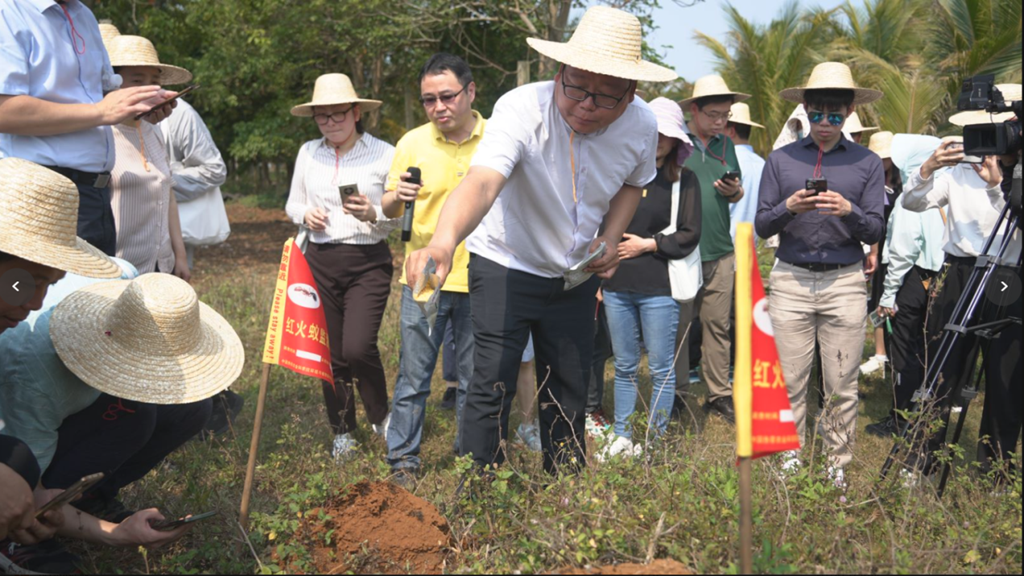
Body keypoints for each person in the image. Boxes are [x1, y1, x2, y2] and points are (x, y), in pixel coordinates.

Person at [405, 6, 676, 476]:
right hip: (506, 261)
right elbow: (483, 182)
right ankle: (479, 486)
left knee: (568, 386)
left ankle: (564, 493)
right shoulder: (522, 108)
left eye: (606, 96)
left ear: (631, 94)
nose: (586, 105)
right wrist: (444, 243)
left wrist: (610, 238)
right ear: (558, 72)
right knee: (490, 382)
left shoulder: (642, 125)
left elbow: (636, 181)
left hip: (573, 274)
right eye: (575, 87)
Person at [0, 158, 188, 573]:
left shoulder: (117, 279)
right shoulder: (25, 363)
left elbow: (28, 495)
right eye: (23, 283)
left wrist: (116, 533)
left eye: (49, 285)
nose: (33, 302)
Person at [755, 62, 885, 488]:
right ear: (804, 111)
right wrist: (788, 207)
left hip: (845, 280)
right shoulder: (780, 160)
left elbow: (876, 229)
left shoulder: (867, 163)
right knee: (790, 379)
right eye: (817, 114)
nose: (825, 123)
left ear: (849, 112)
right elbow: (762, 224)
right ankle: (789, 459)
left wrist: (849, 211)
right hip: (791, 278)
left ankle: (837, 467)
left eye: (834, 114)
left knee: (842, 381)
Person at [899, 85, 1022, 477]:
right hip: (961, 272)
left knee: (1005, 380)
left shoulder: (1017, 173)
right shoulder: (955, 171)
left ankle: (996, 471)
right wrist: (928, 168)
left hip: (1009, 276)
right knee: (943, 369)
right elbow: (912, 202)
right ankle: (924, 459)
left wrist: (996, 184)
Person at [0, 0, 177, 256]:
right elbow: (4, 110)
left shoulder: (84, 16)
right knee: (36, 291)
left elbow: (99, 98)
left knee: (91, 293)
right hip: (37, 195)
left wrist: (137, 105)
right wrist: (101, 111)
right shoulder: (8, 11)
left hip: (95, 192)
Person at [381, 53, 484, 486]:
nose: (438, 107)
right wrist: (397, 195)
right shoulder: (412, 142)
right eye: (428, 100)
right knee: (414, 374)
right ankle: (402, 461)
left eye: (447, 96)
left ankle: (469, 459)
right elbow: (386, 206)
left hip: (483, 273)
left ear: (470, 91)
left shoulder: (496, 137)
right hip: (425, 274)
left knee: (475, 379)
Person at [285, 73, 396, 460]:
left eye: (338, 115)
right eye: (322, 117)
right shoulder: (308, 152)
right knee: (331, 354)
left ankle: (382, 418)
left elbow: (399, 219)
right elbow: (292, 204)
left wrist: (374, 212)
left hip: (368, 260)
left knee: (358, 346)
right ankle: (342, 431)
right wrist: (306, 215)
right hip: (320, 260)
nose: (331, 123)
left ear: (356, 113)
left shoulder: (385, 153)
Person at [598, 97, 698, 460]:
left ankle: (654, 440)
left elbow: (690, 233)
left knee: (660, 368)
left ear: (676, 141)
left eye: (666, 134)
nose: (658, 139)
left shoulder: (684, 182)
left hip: (660, 287)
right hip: (616, 285)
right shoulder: (619, 174)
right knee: (623, 365)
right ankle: (623, 434)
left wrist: (649, 244)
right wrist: (598, 279)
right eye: (652, 131)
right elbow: (600, 225)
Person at [864, 134, 946, 438]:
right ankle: (924, 417)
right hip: (936, 279)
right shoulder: (944, 192)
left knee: (904, 352)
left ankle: (899, 421)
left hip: (909, 280)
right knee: (927, 351)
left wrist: (887, 296)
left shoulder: (911, 198)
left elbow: (902, 251)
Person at [679, 75, 747, 423]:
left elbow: (737, 194)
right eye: (714, 115)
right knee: (680, 326)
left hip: (721, 249)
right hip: (682, 250)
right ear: (695, 110)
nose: (721, 122)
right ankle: (676, 393)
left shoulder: (727, 145)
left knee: (717, 326)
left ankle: (718, 394)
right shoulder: (677, 140)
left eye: (726, 115)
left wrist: (732, 191)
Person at [103, 35, 191, 280]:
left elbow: (168, 195)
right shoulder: (101, 135)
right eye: (137, 81)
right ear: (113, 85)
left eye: (154, 81)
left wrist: (179, 256)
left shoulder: (153, 131)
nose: (149, 88)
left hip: (161, 266)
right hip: (117, 269)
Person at [860, 131, 898, 377]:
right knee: (876, 301)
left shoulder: (904, 183)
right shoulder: (870, 181)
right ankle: (879, 352)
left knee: (894, 301)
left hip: (896, 248)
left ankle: (893, 353)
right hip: (878, 246)